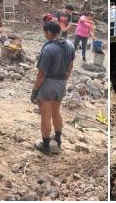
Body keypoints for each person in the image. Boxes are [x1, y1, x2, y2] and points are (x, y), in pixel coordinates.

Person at [31, 20, 75, 154]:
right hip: (61, 83)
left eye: (45, 33)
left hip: (48, 84)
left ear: (49, 32)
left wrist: (35, 90)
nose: (44, 35)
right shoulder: (70, 45)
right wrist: (64, 81)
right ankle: (58, 139)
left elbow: (41, 73)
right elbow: (70, 66)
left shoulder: (49, 49)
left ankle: (45, 145)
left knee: (45, 115)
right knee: (56, 111)